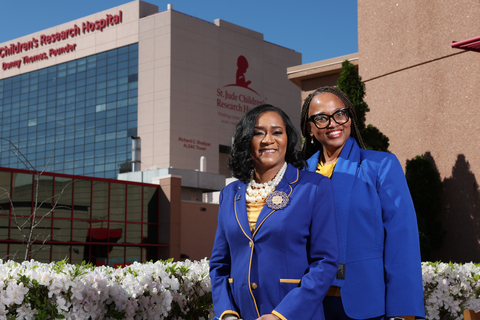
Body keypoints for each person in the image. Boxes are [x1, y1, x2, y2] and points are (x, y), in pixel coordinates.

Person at [300, 86, 425, 320]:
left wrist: (403, 312)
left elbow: (402, 240)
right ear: (309, 128)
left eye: (340, 113)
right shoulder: (297, 174)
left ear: (350, 117)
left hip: (363, 303)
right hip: (305, 303)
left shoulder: (381, 166)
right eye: (320, 118)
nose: (332, 123)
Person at [210, 104, 339, 320]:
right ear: (246, 141)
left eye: (277, 132)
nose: (268, 139)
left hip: (294, 315)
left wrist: (282, 315)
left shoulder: (315, 187)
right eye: (258, 133)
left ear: (288, 139)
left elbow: (324, 262)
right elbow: (219, 265)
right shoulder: (229, 194)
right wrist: (227, 313)